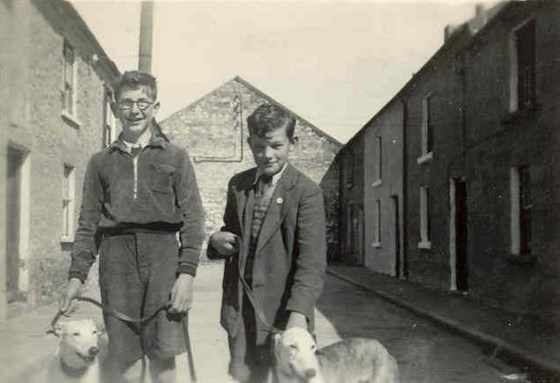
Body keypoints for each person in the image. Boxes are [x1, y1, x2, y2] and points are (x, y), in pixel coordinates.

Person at [59, 70, 205, 383]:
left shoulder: (177, 158)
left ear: (156, 106)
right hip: (117, 261)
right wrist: (76, 276)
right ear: (114, 109)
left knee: (164, 356)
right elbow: (87, 224)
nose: (135, 110)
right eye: (126, 103)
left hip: (163, 258)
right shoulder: (101, 162)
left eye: (143, 102)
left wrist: (187, 274)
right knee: (124, 359)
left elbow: (193, 219)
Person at [207, 103, 327, 383]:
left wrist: (298, 316)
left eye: (275, 145)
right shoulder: (238, 185)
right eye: (259, 147)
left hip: (285, 317)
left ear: (292, 142)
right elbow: (231, 231)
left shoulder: (307, 193)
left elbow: (311, 263)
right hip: (243, 310)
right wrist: (215, 241)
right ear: (250, 143)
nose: (267, 155)